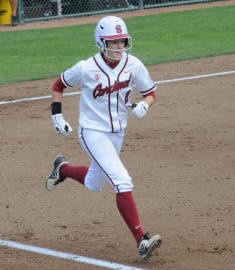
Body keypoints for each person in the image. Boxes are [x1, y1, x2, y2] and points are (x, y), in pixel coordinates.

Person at [46, 16, 162, 261]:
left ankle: (62, 169)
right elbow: (59, 85)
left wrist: (145, 105)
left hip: (117, 133)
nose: (119, 46)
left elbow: (150, 92)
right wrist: (57, 116)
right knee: (122, 180)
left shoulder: (133, 65)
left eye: (122, 41)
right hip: (91, 132)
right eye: (113, 42)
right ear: (101, 42)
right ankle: (142, 240)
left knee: (93, 183)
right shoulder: (86, 68)